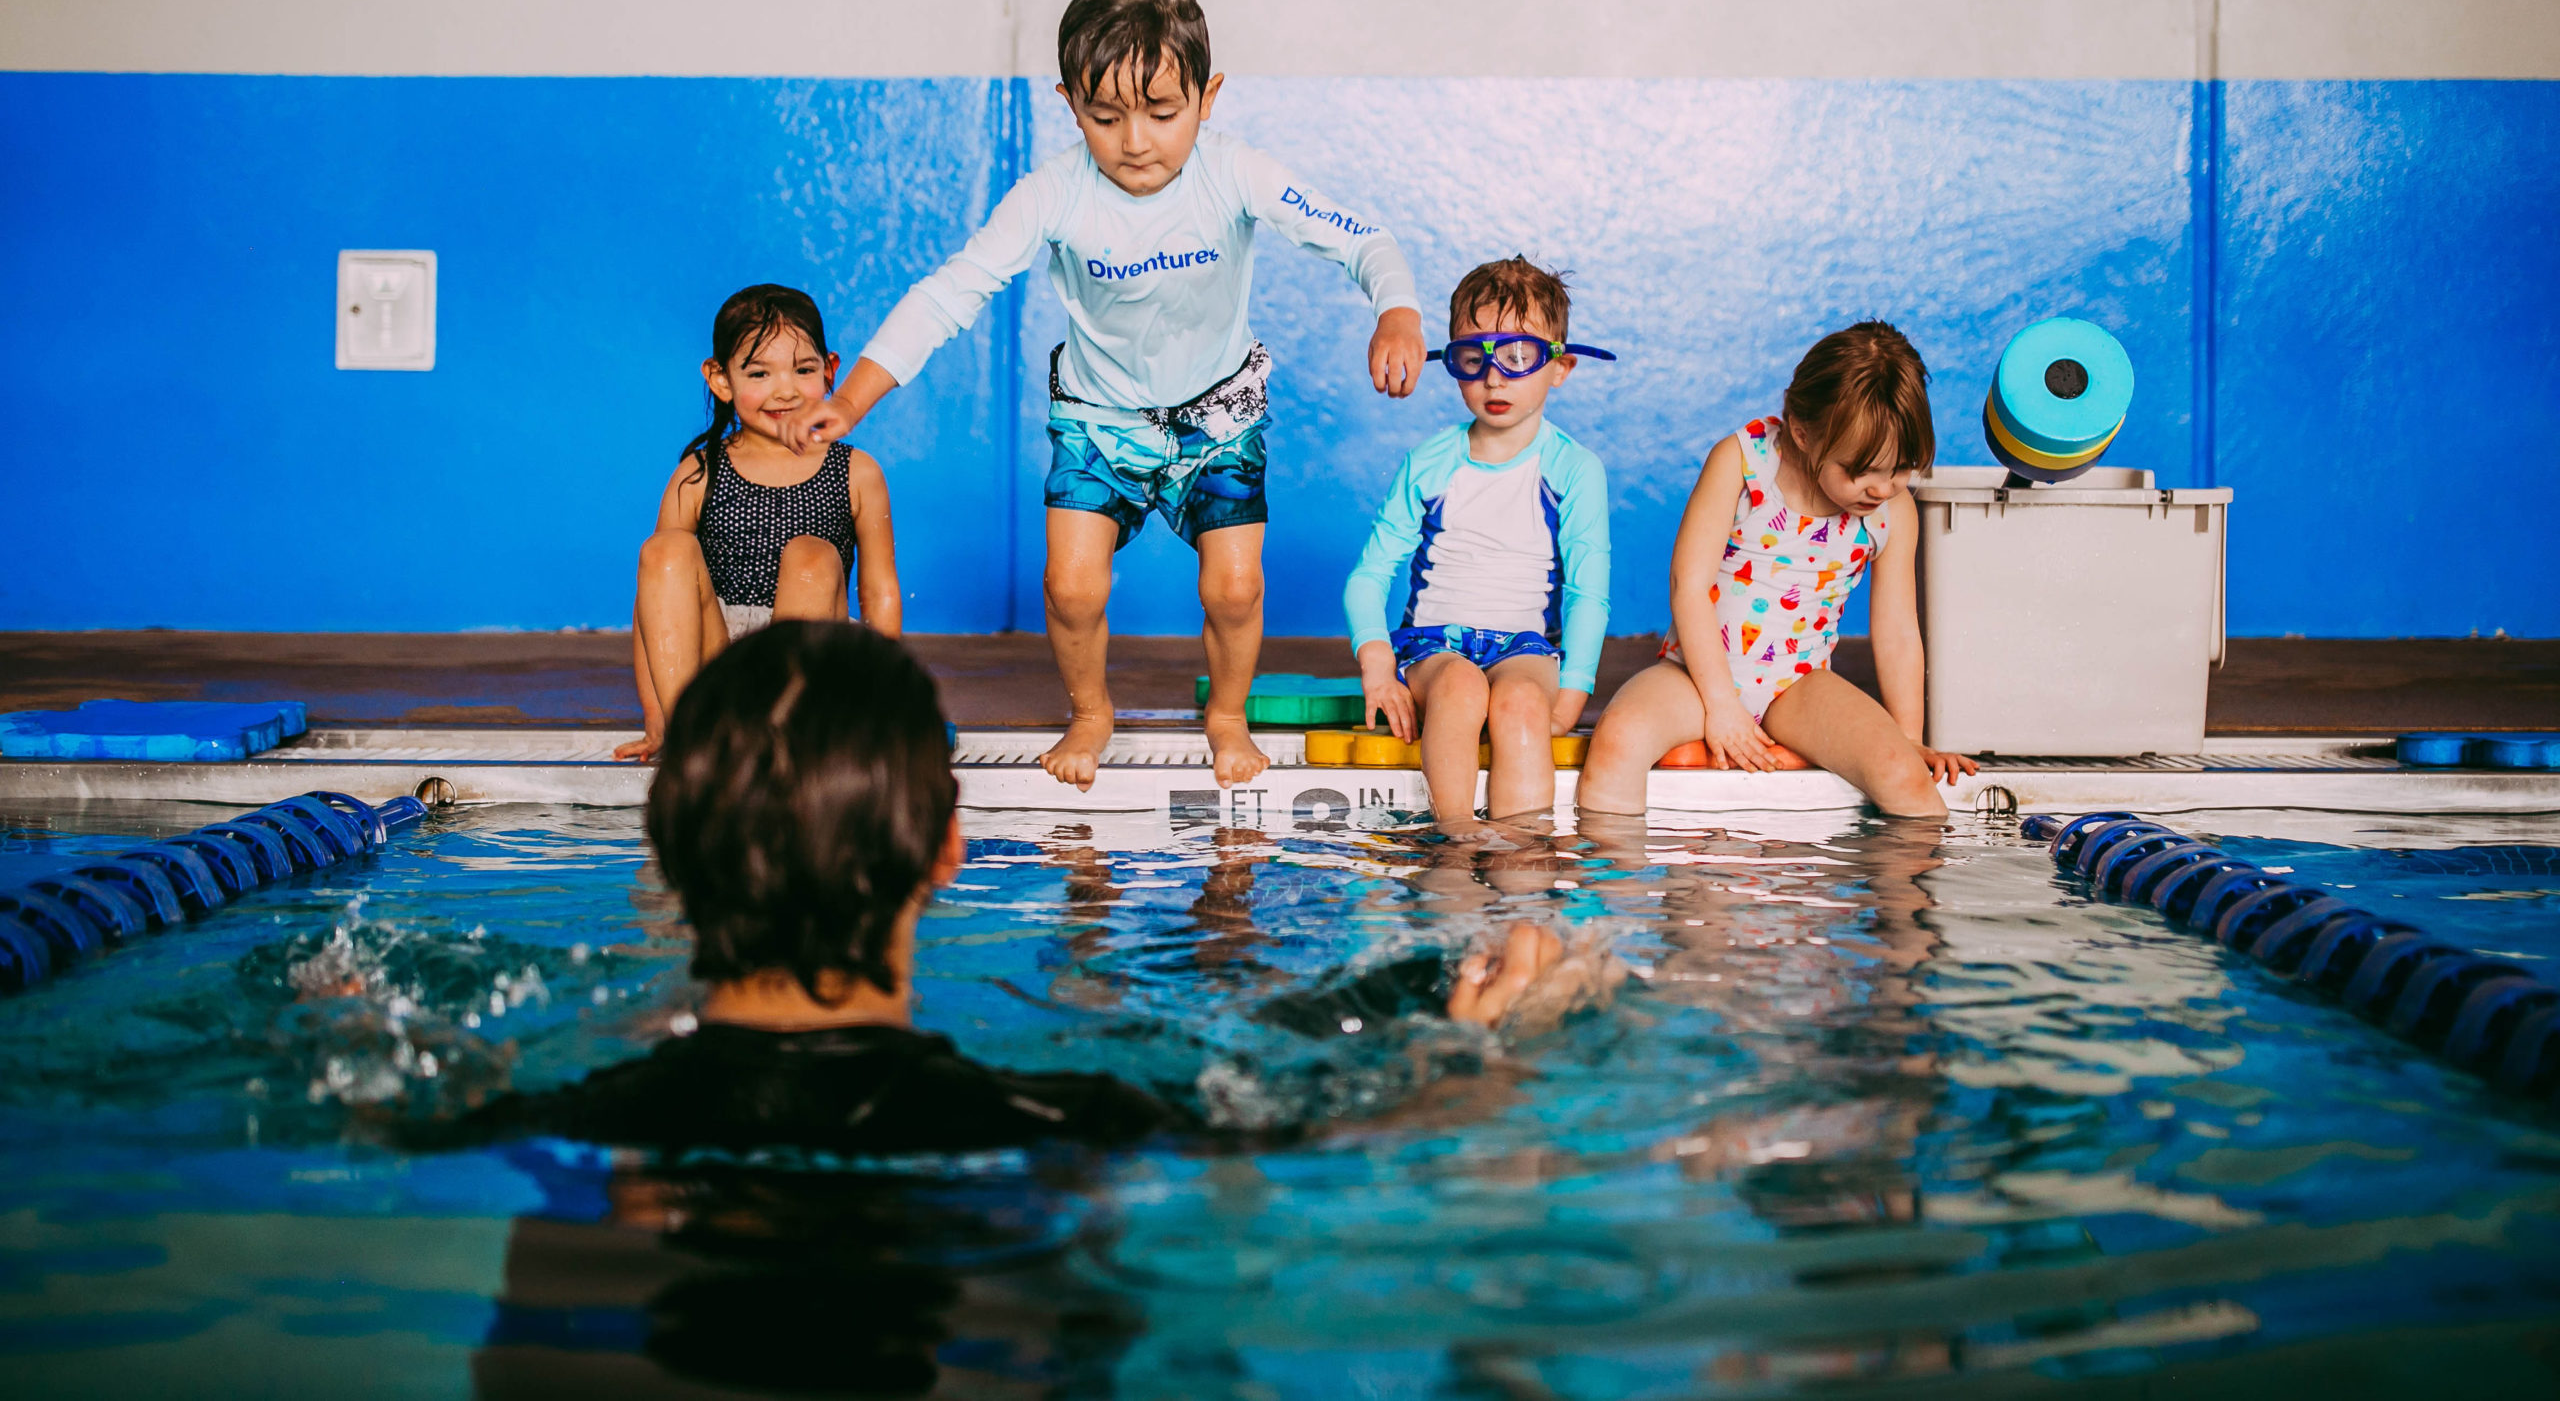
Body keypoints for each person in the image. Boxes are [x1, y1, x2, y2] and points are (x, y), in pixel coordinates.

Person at [455, 622, 1565, 1156]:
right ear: (945, 853)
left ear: (667, 848)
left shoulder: (549, 1119)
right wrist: (1465, 1061)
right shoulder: (1056, 1119)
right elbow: (1313, 1144)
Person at [778, 0, 1428, 790]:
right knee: (1071, 585)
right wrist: (851, 398)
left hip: (1218, 416)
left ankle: (1225, 715)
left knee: (1235, 586)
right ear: (1068, 101)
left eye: (1163, 113)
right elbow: (951, 291)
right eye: (1104, 115)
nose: (1135, 141)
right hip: (1097, 418)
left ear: (1209, 95)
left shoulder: (1236, 173)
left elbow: (1364, 239)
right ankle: (1090, 709)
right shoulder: (1053, 193)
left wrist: (1396, 312)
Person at [1578, 321, 1976, 819]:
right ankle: (1603, 886)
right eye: (1860, 470)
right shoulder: (1742, 462)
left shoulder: (1892, 512)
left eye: (1900, 469)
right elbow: (1690, 586)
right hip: (1697, 676)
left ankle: (1917, 893)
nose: (1881, 488)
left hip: (1799, 684)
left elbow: (1896, 631)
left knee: (1902, 775)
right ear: (1804, 432)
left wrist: (1909, 740)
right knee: (1618, 740)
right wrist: (1721, 707)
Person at [1344, 258, 1612, 823]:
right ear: (1455, 363)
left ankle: (1523, 860)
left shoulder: (1573, 468)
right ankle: (1456, 846)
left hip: (1526, 648)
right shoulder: (1430, 462)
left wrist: (1575, 689)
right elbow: (1369, 578)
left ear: (1559, 366)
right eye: (1475, 358)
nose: (1495, 379)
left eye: (1518, 356)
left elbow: (1589, 591)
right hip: (1432, 648)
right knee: (1461, 690)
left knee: (1517, 704)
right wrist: (1375, 663)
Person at [613, 286, 899, 762]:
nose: (785, 389)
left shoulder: (856, 472)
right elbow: (655, 603)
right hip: (720, 660)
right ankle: (692, 736)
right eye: (760, 373)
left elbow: (880, 594)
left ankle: (786, 739)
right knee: (664, 551)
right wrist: (656, 718)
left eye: (803, 370)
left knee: (811, 554)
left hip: (814, 667)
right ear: (721, 379)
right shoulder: (699, 473)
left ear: (831, 371)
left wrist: (886, 698)